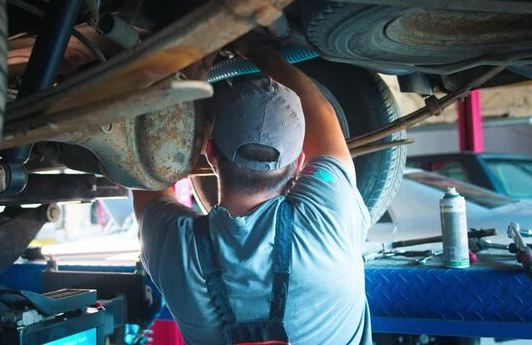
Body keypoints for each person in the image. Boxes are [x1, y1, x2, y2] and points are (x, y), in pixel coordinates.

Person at [132, 36, 371, 344]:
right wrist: (259, 52)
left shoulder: (175, 247)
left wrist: (249, 54)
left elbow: (146, 160)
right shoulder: (328, 220)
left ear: (209, 153)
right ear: (299, 163)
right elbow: (323, 113)